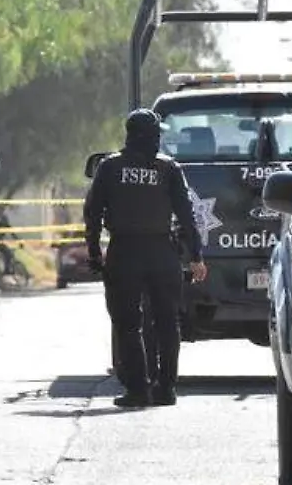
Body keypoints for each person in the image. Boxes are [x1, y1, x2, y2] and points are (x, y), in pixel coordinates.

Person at [84, 108, 207, 408]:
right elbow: (186, 215)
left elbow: (92, 212)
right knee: (168, 323)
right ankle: (166, 389)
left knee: (128, 324)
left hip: (124, 253)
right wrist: (196, 256)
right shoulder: (169, 168)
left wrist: (93, 251)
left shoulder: (110, 167)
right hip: (162, 253)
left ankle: (138, 389)